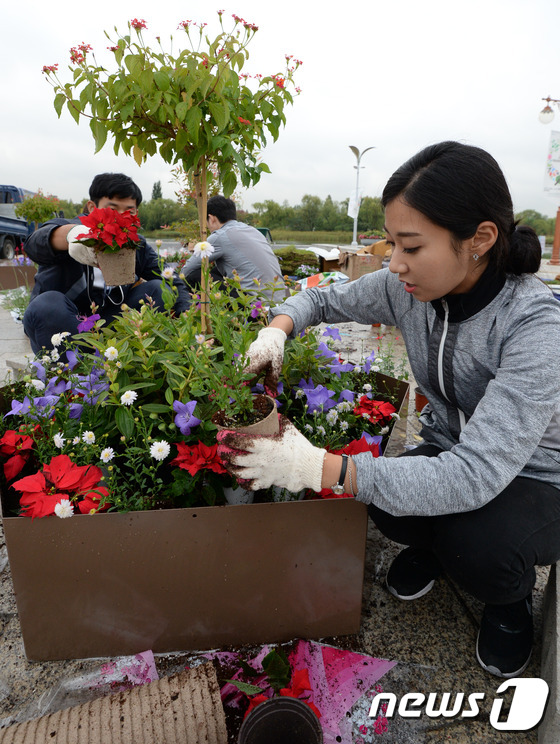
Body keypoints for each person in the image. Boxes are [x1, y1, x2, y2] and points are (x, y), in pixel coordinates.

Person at [217, 141, 560, 679]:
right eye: (391, 242)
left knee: (478, 542)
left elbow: (474, 475)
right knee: (385, 499)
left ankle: (507, 601)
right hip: (454, 449)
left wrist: (317, 467)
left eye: (412, 246)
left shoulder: (533, 326)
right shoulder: (409, 289)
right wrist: (276, 330)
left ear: (480, 239)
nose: (395, 263)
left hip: (538, 474)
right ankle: (437, 548)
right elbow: (324, 298)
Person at [23, 173, 190, 353]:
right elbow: (34, 244)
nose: (119, 218)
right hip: (64, 323)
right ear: (92, 207)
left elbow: (170, 278)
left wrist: (188, 313)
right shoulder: (74, 231)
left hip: (106, 322)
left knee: (160, 288)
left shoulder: (135, 244)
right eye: (112, 209)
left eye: (129, 211)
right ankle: (70, 374)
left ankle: (128, 358)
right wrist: (72, 236)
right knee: (46, 304)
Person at [181, 195, 287, 301]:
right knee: (217, 270)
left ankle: (186, 308)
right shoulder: (253, 231)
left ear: (212, 218)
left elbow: (186, 270)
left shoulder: (220, 236)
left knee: (194, 276)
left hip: (254, 305)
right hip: (278, 299)